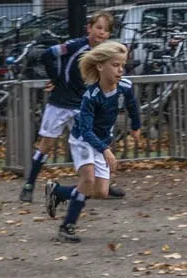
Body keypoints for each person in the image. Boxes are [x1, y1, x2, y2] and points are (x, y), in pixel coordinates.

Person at [43, 40, 139, 244]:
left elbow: (132, 105)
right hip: (83, 141)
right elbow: (86, 131)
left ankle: (58, 191)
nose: (120, 70)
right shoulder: (91, 95)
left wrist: (136, 127)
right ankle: (66, 227)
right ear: (100, 66)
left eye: (122, 65)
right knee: (87, 180)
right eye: (115, 65)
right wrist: (105, 150)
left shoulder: (125, 87)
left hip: (101, 141)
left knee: (100, 192)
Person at [22, 12, 121, 203]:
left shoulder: (107, 53)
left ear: (109, 34)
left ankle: (104, 184)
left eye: (106, 30)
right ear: (89, 28)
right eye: (98, 27)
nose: (101, 33)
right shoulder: (75, 46)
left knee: (97, 141)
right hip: (61, 102)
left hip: (83, 105)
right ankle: (29, 185)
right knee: (47, 144)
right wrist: (57, 79)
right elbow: (47, 55)